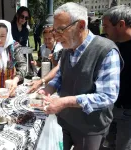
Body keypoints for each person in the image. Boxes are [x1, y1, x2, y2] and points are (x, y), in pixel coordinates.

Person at [39, 2, 123, 150]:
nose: (56, 37)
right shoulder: (67, 47)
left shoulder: (106, 51)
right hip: (65, 120)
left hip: (90, 128)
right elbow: (60, 75)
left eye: (61, 30)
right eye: (54, 31)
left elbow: (107, 96)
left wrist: (64, 102)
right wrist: (48, 89)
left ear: (81, 25)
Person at [102, 5, 131, 150]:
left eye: (106, 26)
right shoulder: (112, 46)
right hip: (110, 110)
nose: (103, 31)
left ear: (121, 24)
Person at [11, 6, 36, 78]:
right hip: (10, 59)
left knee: (20, 79)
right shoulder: (10, 27)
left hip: (20, 58)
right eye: (22, 16)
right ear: (17, 15)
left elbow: (23, 46)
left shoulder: (25, 30)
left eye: (26, 18)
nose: (24, 19)